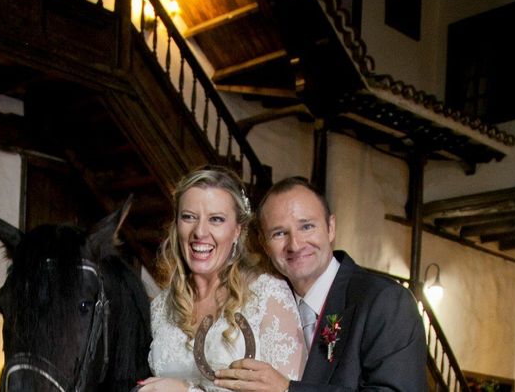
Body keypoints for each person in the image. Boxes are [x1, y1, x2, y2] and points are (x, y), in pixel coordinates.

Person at [214, 177, 427, 392]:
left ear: (331, 227)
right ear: (264, 244)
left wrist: (288, 390)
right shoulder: (264, 301)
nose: (295, 245)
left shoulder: (385, 301)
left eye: (306, 226)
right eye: (279, 233)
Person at [139, 166, 307, 392]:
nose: (200, 232)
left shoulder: (269, 297)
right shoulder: (160, 307)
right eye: (189, 217)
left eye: (216, 219)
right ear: (176, 224)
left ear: (237, 230)